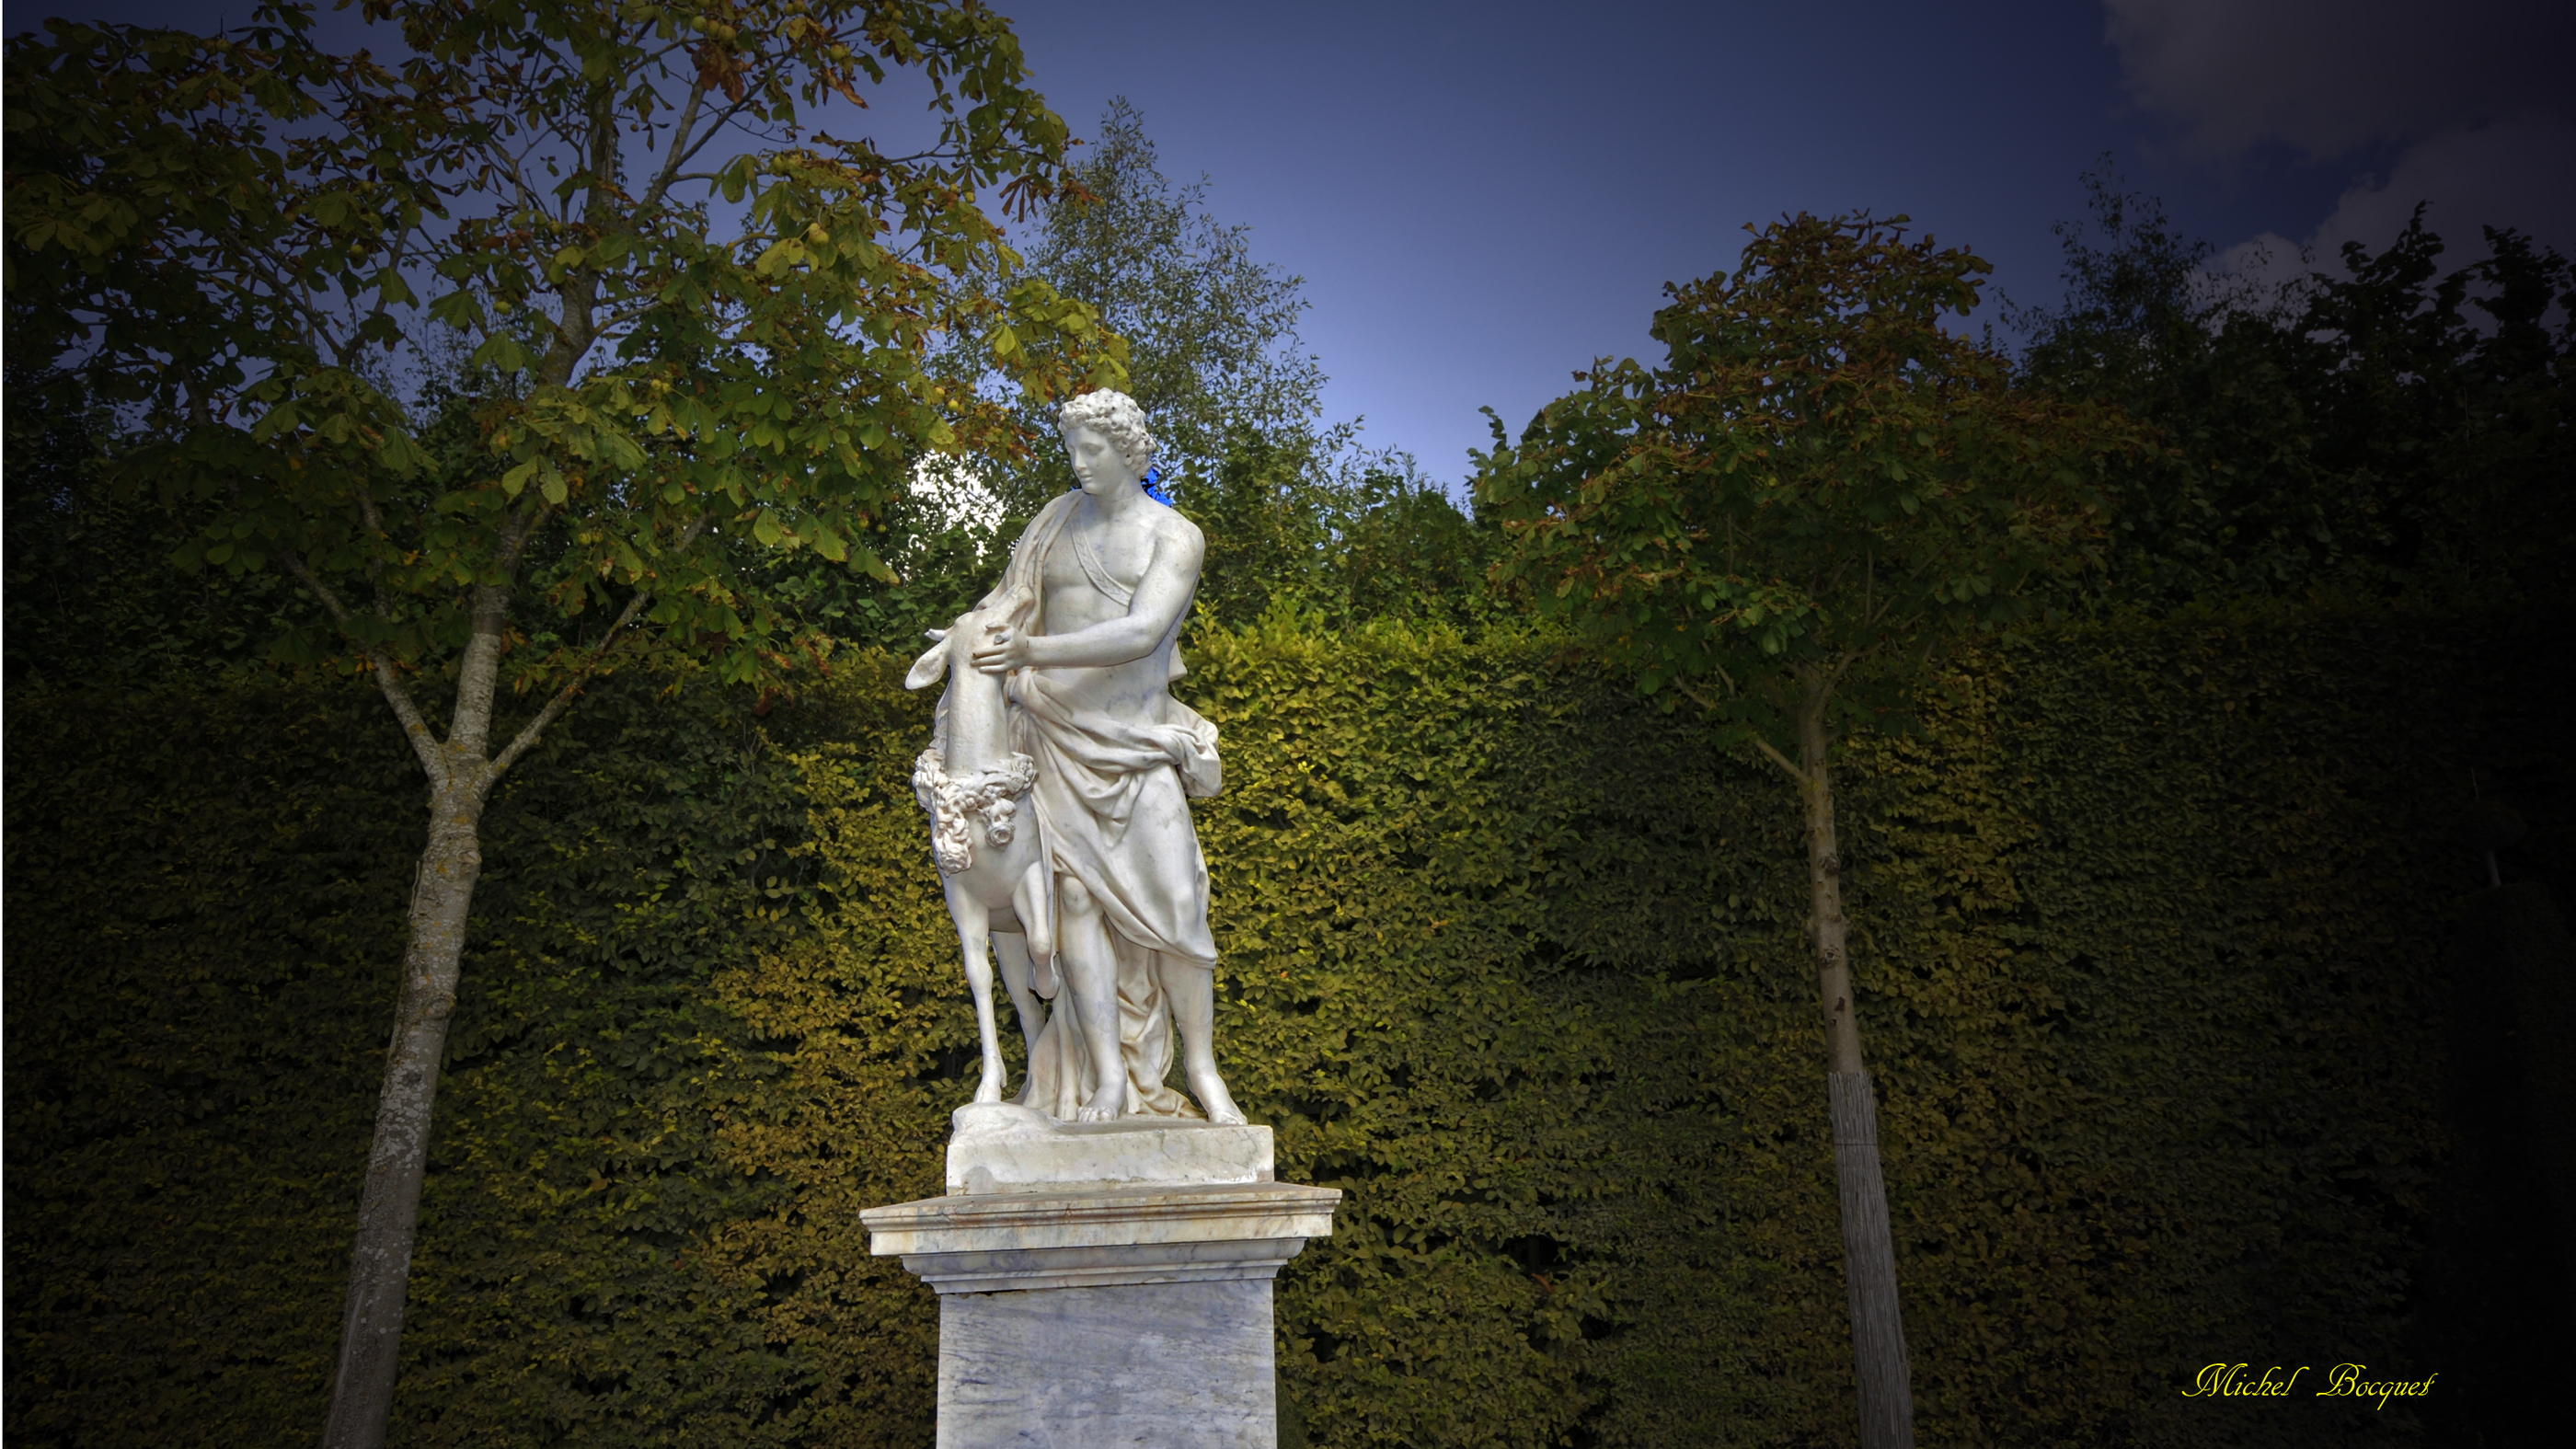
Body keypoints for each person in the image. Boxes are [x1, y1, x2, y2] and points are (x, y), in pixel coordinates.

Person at [964, 389, 1244, 1124]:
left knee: (1181, 909)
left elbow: (1143, 631)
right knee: (1076, 903)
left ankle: (1204, 1069)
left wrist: (1032, 649)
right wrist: (970, 644)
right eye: (1073, 450)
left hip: (1135, 742)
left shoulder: (1174, 535)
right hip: (1052, 735)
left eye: (1093, 450)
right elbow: (1006, 606)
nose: (1079, 463)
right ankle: (1109, 1079)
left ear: (1129, 451)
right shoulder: (1052, 524)